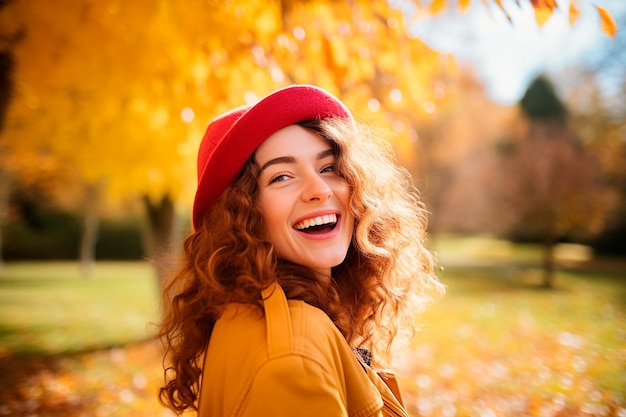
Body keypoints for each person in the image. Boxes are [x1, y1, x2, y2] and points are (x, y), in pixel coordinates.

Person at [158, 85, 444, 416]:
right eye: (281, 176)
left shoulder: (250, 315)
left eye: (329, 168)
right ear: (240, 214)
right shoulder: (293, 359)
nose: (319, 190)